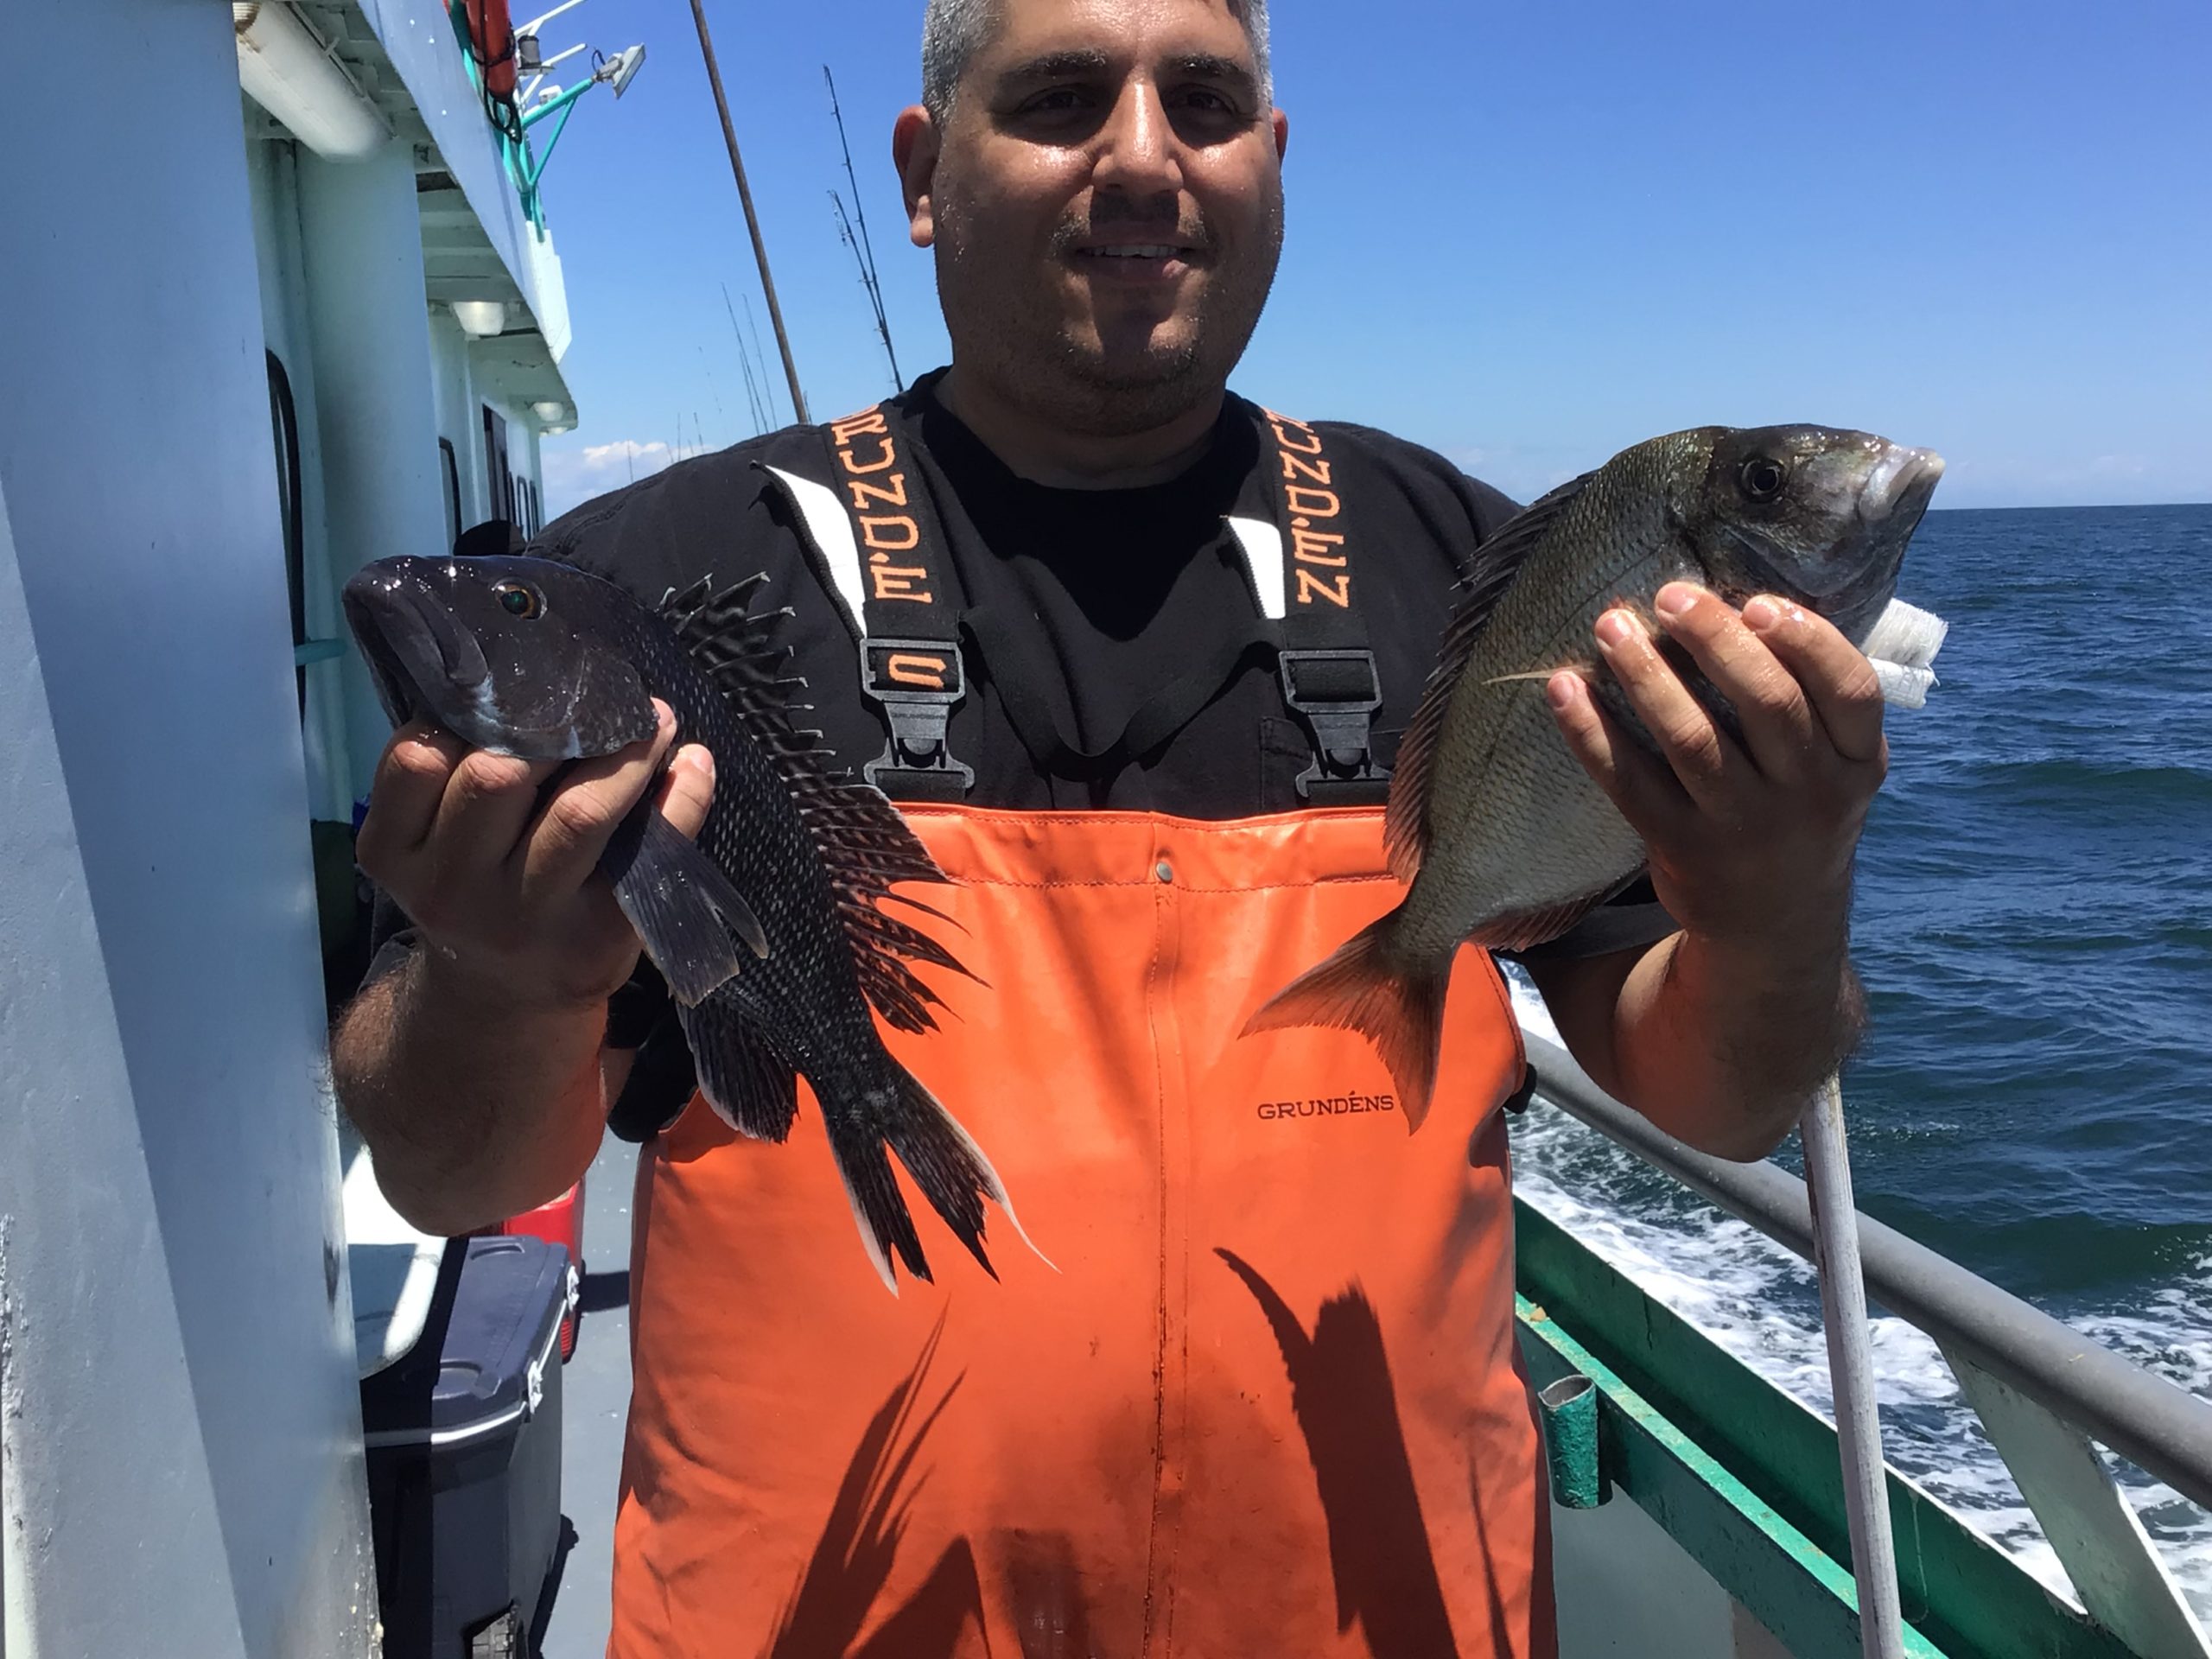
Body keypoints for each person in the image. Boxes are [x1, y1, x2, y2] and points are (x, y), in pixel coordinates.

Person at [333, 0, 1889, 1651]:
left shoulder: (1479, 575)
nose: (1144, 154)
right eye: (1065, 96)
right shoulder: (644, 589)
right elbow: (447, 1172)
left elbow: (1717, 1095)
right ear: (926, 176)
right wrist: (503, 984)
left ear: (1270, 170)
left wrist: (1779, 904)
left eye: (1204, 101)